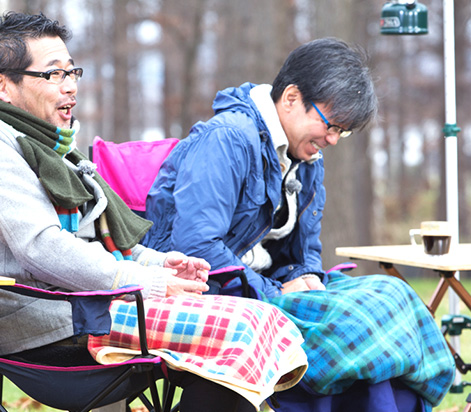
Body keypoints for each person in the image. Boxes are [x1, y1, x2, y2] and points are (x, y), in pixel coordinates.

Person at [0, 11, 308, 412]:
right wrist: (144, 281)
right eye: (54, 75)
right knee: (242, 330)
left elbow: (95, 236)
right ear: (3, 85)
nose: (70, 87)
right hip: (47, 324)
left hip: (91, 302)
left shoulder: (49, 147)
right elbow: (43, 248)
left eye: (73, 73)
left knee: (265, 318)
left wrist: (160, 262)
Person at [143, 38, 455, 411]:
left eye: (344, 131)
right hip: (205, 286)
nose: (334, 140)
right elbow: (196, 246)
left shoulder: (308, 156)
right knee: (352, 325)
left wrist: (307, 276)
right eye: (331, 125)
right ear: (291, 98)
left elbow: (305, 247)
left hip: (263, 284)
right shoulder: (227, 139)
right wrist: (276, 292)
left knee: (391, 295)